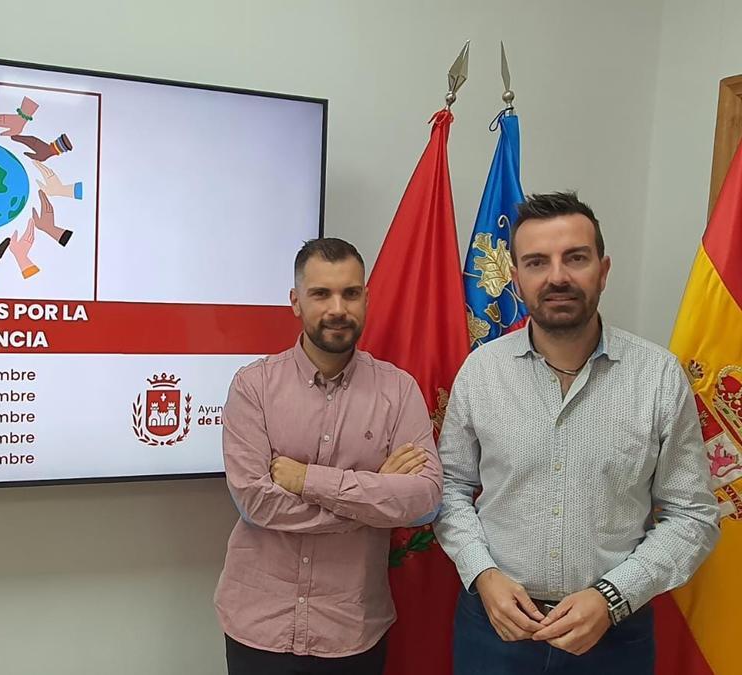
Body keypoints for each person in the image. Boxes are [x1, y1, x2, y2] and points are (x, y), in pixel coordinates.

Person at [434, 191, 720, 673]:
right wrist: (482, 573)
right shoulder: (481, 372)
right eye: (536, 262)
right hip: (496, 627)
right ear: (516, 277)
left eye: (576, 258)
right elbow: (449, 486)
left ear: (603, 271)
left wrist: (613, 597)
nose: (557, 276)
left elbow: (693, 514)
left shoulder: (658, 376)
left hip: (614, 636)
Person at [214, 237, 442, 674]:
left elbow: (423, 500)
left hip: (352, 631)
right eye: (321, 294)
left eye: (350, 293)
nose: (338, 308)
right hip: (258, 628)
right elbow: (255, 502)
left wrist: (307, 480)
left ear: (366, 298)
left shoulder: (398, 390)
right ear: (296, 301)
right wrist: (375, 496)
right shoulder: (253, 387)